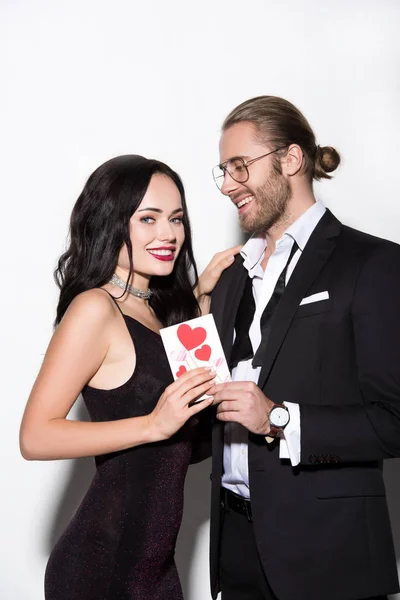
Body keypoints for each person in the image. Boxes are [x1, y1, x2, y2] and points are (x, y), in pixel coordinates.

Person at [204, 96, 400, 600]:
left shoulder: (372, 263)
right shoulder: (227, 281)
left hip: (330, 557)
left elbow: (395, 420)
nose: (227, 185)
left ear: (291, 161)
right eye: (222, 171)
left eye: (239, 166)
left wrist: (280, 419)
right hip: (236, 551)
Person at [19, 154, 239, 600]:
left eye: (176, 219)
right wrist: (151, 425)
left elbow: (185, 446)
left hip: (154, 569)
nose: (169, 234)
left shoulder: (157, 311)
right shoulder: (95, 309)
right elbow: (35, 437)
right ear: (111, 223)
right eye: (148, 219)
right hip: (100, 566)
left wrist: (202, 299)